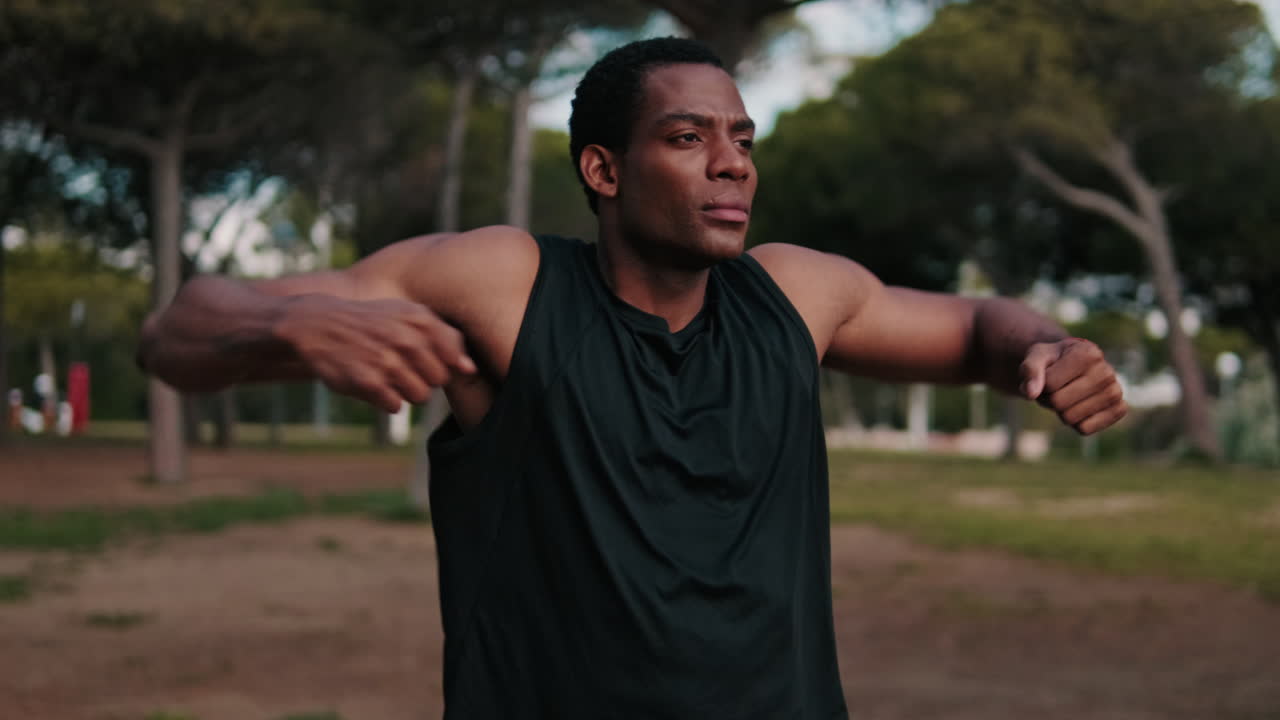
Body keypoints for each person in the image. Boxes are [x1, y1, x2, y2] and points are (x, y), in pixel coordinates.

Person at [138, 37, 1127, 719]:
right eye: (689, 138)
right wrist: (286, 319)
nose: (732, 165)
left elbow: (974, 327)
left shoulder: (794, 295)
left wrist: (1046, 347)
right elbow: (175, 331)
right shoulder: (507, 287)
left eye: (742, 140)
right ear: (603, 172)